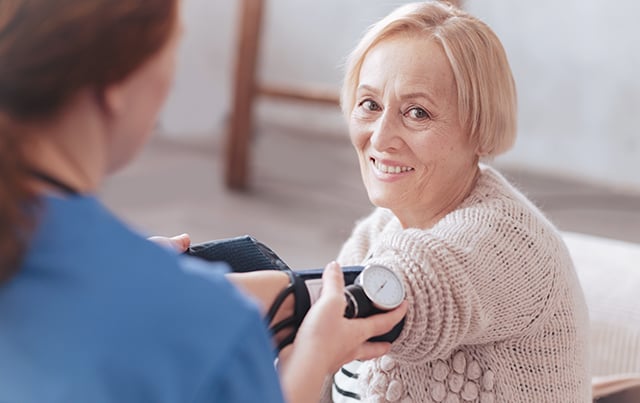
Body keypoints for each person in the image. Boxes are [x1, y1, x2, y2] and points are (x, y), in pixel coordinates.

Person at [0, 1, 407, 402]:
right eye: (171, 53)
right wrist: (312, 360)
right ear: (116, 87)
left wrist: (122, 269)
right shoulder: (215, 327)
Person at [324, 1, 591, 402]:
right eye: (370, 105)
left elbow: (406, 297)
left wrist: (213, 291)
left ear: (480, 129)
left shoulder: (509, 240)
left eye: (417, 112)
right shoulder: (378, 231)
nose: (380, 138)